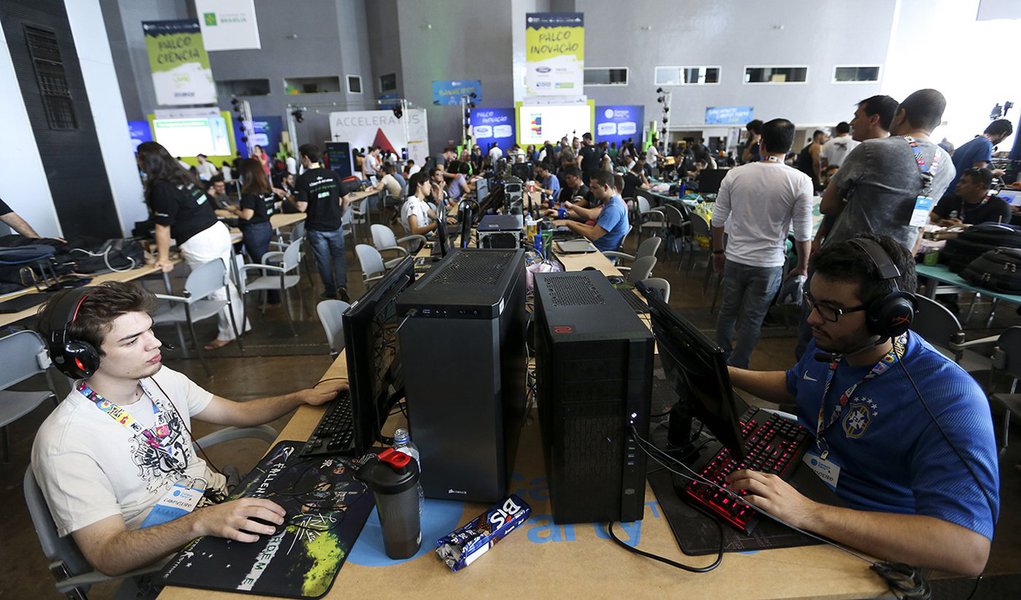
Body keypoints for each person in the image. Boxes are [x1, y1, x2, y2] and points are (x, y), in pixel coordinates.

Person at [31, 282, 347, 578]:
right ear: (82, 358)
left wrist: (299, 396)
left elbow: (238, 412)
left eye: (149, 330)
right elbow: (107, 555)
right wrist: (200, 522)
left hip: (222, 506)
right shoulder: (65, 442)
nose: (154, 343)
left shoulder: (160, 378)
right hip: (176, 554)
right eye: (132, 340)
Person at [726, 234, 998, 576]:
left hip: (860, 543)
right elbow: (796, 384)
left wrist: (808, 512)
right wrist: (725, 373)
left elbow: (968, 551)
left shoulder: (949, 398)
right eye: (813, 301)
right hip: (799, 492)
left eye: (831, 309)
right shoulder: (837, 342)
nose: (812, 319)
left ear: (889, 315)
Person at [712, 118, 814, 368]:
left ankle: (719, 358)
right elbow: (803, 233)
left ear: (762, 143)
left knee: (728, 311)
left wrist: (717, 252)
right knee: (753, 318)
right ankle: (739, 366)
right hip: (769, 264)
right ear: (790, 146)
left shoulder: (735, 174)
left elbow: (717, 219)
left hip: (735, 257)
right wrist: (802, 266)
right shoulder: (801, 181)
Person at [136, 141, 247, 350]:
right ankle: (239, 326)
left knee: (216, 289)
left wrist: (163, 258)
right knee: (224, 283)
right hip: (217, 231)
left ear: (146, 161)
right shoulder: (183, 177)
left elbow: (162, 227)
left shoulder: (162, 187)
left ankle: (229, 333)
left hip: (201, 240)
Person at [821, 89, 954, 252]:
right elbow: (919, 226)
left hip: (849, 254)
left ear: (901, 114)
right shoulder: (947, 165)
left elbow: (827, 205)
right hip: (896, 260)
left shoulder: (871, 149)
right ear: (936, 123)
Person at [294, 143, 349, 302]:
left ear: (305, 157)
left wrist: (289, 198)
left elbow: (301, 207)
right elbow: (346, 199)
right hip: (335, 224)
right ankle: (342, 285)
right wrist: (340, 214)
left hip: (316, 227)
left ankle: (330, 291)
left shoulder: (303, 179)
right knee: (339, 256)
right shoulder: (332, 174)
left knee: (323, 259)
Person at [552, 170, 629, 253]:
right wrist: (567, 222)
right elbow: (593, 229)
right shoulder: (610, 203)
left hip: (601, 253)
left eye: (595, 188)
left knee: (555, 250)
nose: (591, 191)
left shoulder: (613, 208)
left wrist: (568, 223)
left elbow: (593, 235)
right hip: (594, 246)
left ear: (605, 187)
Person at [930, 167, 1011, 227]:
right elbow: (929, 218)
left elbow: (992, 235)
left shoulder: (999, 207)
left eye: (963, 182)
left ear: (979, 186)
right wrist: (938, 223)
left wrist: (963, 228)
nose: (958, 185)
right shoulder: (950, 199)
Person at [947, 119, 1014, 189]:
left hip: (948, 188)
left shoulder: (971, 143)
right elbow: (978, 175)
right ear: (1003, 134)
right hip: (958, 191)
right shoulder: (986, 145)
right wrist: (994, 173)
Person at [401, 171, 438, 236]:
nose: (430, 186)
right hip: (421, 242)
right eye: (428, 183)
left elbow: (436, 217)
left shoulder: (421, 202)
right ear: (419, 184)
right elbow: (415, 231)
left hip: (427, 238)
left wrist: (437, 197)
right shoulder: (412, 204)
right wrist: (437, 224)